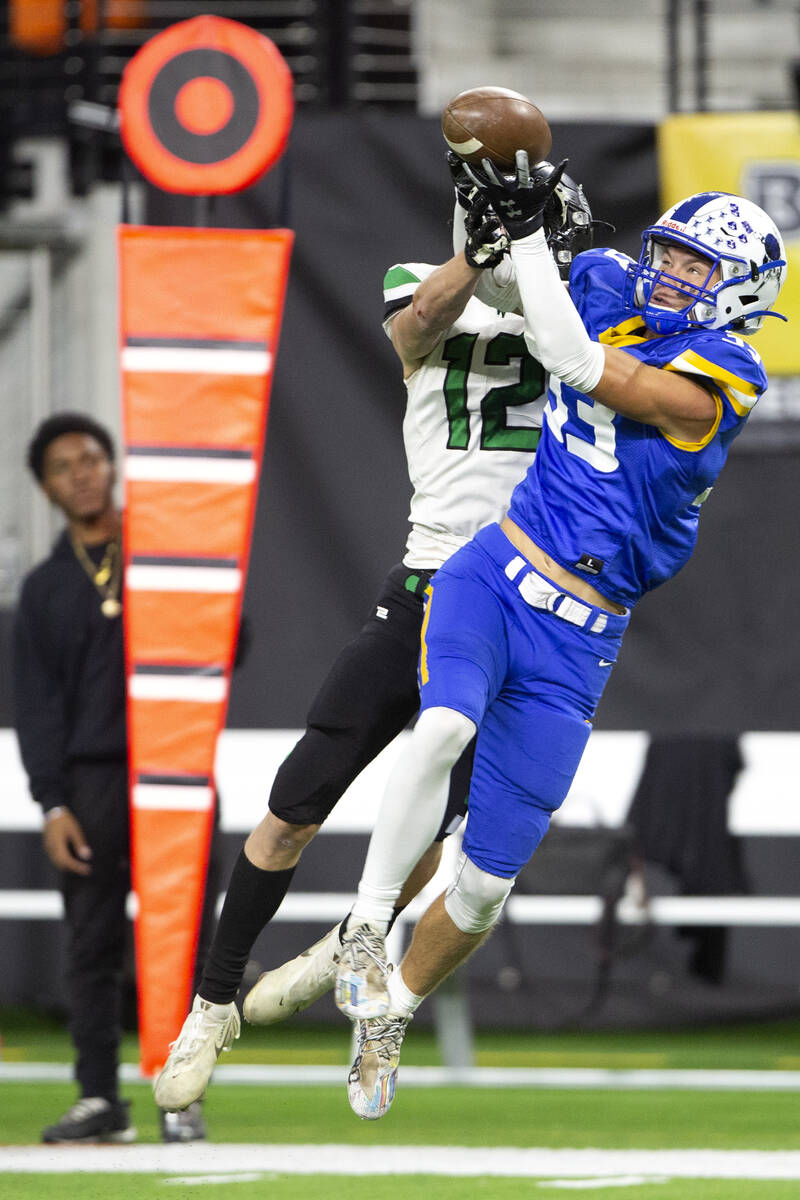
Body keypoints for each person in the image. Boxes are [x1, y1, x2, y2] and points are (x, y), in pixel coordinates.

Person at [330, 167, 787, 1119]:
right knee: (445, 724)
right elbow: (497, 299)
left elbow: (583, 366)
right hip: (493, 568)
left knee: (488, 884)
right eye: (666, 251)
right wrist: (498, 236)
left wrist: (536, 246)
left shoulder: (728, 375)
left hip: (581, 634)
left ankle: (394, 1011)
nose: (667, 273)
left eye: (696, 266)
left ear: (743, 290)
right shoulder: (612, 279)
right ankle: (365, 926)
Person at [152, 160, 598, 1114]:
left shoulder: (583, 318)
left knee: (461, 831)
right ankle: (212, 1000)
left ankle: (355, 934)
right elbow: (416, 324)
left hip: (529, 602)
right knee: (293, 803)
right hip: (433, 581)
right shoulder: (428, 282)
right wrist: (486, 246)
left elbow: (604, 369)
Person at [13, 412, 212, 1144]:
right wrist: (51, 803)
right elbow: (35, 708)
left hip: (173, 774)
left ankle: (182, 1097)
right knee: (89, 947)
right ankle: (99, 1098)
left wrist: (181, 573)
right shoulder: (42, 589)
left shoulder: (166, 556)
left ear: (112, 465)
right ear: (46, 487)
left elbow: (232, 641)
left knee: (184, 942)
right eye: (64, 466)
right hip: (90, 785)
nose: (82, 473)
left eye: (92, 458)